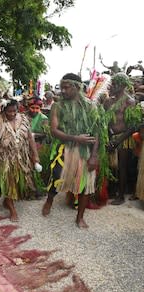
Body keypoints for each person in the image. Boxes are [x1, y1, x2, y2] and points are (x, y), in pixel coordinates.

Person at [41, 73, 102, 228]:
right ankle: (49, 200)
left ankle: (80, 217)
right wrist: (76, 138)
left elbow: (97, 133)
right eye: (62, 87)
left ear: (77, 87)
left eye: (66, 87)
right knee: (56, 175)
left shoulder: (90, 106)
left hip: (85, 151)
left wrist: (94, 155)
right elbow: (54, 130)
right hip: (64, 148)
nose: (63, 91)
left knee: (85, 183)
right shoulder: (57, 106)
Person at [0, 100, 39, 221]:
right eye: (9, 111)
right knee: (9, 182)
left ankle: (7, 201)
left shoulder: (24, 119)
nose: (12, 114)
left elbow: (30, 138)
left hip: (21, 157)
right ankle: (12, 209)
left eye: (14, 111)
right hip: (4, 158)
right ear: (4, 111)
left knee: (17, 182)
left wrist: (35, 155)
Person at [104, 73, 137, 205]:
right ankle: (111, 191)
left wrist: (118, 140)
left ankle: (121, 195)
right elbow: (104, 121)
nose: (113, 86)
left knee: (122, 167)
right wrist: (107, 137)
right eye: (113, 83)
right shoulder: (108, 101)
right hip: (110, 136)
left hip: (123, 138)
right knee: (111, 166)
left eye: (116, 83)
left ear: (123, 85)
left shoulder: (129, 101)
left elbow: (132, 125)